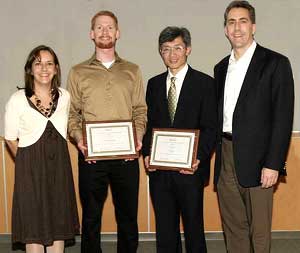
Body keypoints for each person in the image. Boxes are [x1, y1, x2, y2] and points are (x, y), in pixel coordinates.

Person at [214, 1, 294, 252]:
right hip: (225, 155)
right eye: (231, 22)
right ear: (226, 30)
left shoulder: (275, 63)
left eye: (243, 21)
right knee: (234, 227)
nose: (237, 28)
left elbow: (283, 118)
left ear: (253, 26)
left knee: (259, 230)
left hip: (260, 160)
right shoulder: (220, 68)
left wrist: (273, 163)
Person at [67, 10, 147, 253]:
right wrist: (80, 140)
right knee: (91, 219)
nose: (105, 31)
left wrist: (138, 139)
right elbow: (72, 114)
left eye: (109, 27)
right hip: (91, 157)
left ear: (117, 33)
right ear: (92, 34)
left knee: (128, 218)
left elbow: (140, 111)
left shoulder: (132, 70)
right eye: (99, 27)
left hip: (126, 157)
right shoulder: (78, 72)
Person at [142, 26, 217, 253]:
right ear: (160, 53)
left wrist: (199, 158)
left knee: (194, 230)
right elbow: (148, 125)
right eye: (166, 49)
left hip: (190, 171)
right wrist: (146, 153)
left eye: (177, 48)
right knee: (165, 232)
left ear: (188, 49)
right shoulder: (153, 84)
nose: (172, 55)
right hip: (160, 173)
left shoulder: (205, 83)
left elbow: (211, 128)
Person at [4, 45, 80, 253]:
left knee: (58, 223)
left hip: (59, 170)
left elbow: (74, 125)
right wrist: (27, 164)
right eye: (38, 63)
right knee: (33, 225)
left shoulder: (65, 97)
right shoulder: (17, 100)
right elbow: (10, 139)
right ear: (30, 69)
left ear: (56, 69)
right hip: (30, 170)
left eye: (49, 63)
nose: (44, 68)